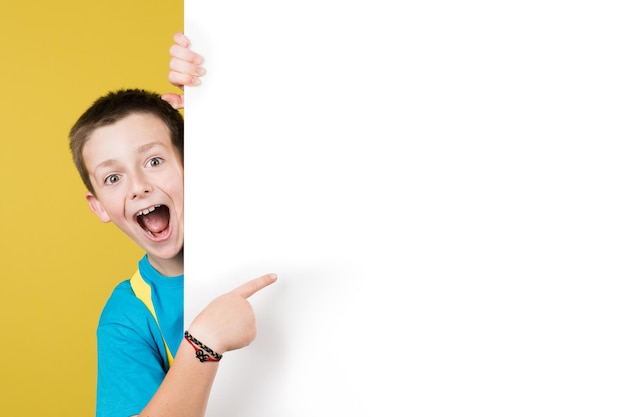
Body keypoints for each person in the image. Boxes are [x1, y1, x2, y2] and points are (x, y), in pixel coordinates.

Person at [69, 32, 277, 417]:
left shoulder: (263, 219)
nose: (139, 187)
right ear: (98, 207)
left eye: (154, 161)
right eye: (113, 178)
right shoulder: (128, 316)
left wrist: (220, 82)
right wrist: (204, 343)